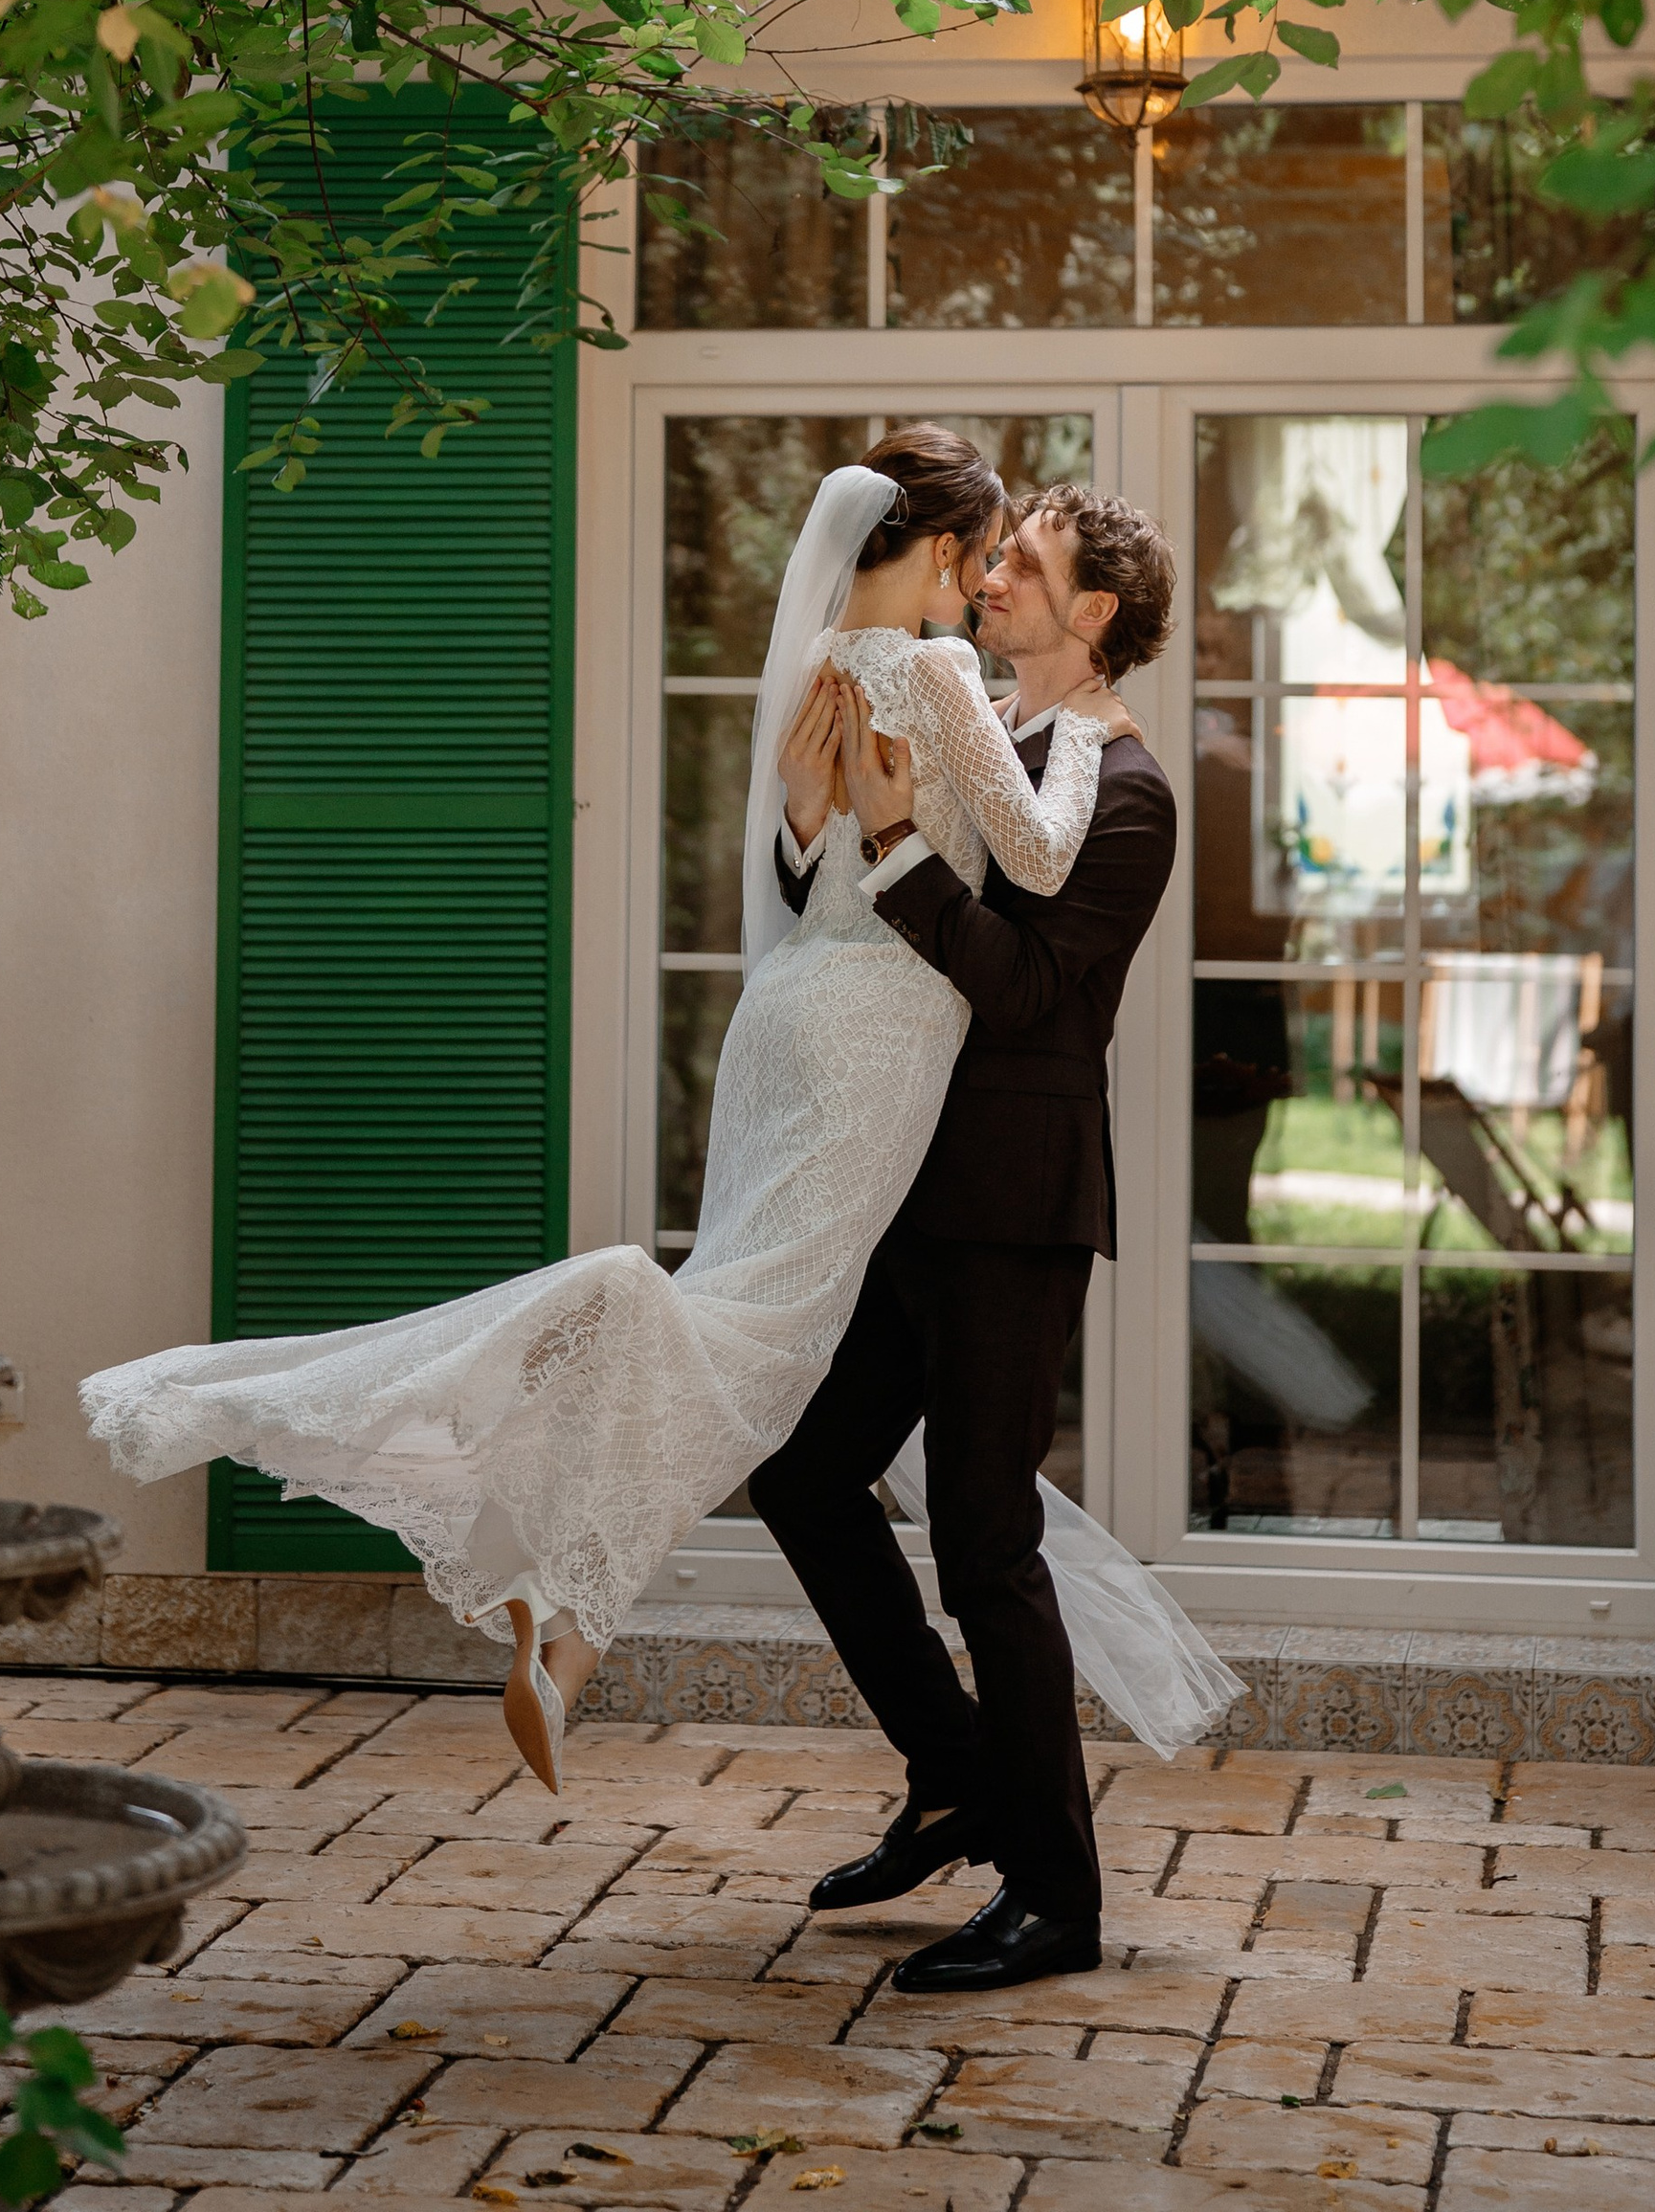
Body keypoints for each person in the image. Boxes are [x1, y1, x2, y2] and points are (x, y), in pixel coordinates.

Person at [78, 426, 1128, 1797]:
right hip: (879, 1030)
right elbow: (1042, 853)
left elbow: (809, 848)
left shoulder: (817, 660)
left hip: (793, 1014)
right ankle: (554, 1493)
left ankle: (566, 1627)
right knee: (749, 1354)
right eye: (980, 555)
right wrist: (1094, 742)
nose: (980, 586)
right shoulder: (934, 671)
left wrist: (821, 825)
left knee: (736, 1343)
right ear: (935, 547)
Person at [749, 480, 1190, 1996]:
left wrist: (888, 838)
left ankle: (1056, 1897)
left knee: (986, 1537)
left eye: (1027, 565)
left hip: (1013, 1200)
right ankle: (953, 1777)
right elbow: (861, 911)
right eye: (993, 557)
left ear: (1098, 618)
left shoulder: (1128, 798)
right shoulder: (974, 736)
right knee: (803, 1468)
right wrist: (824, 828)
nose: (992, 577)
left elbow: (1026, 997)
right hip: (905, 1180)